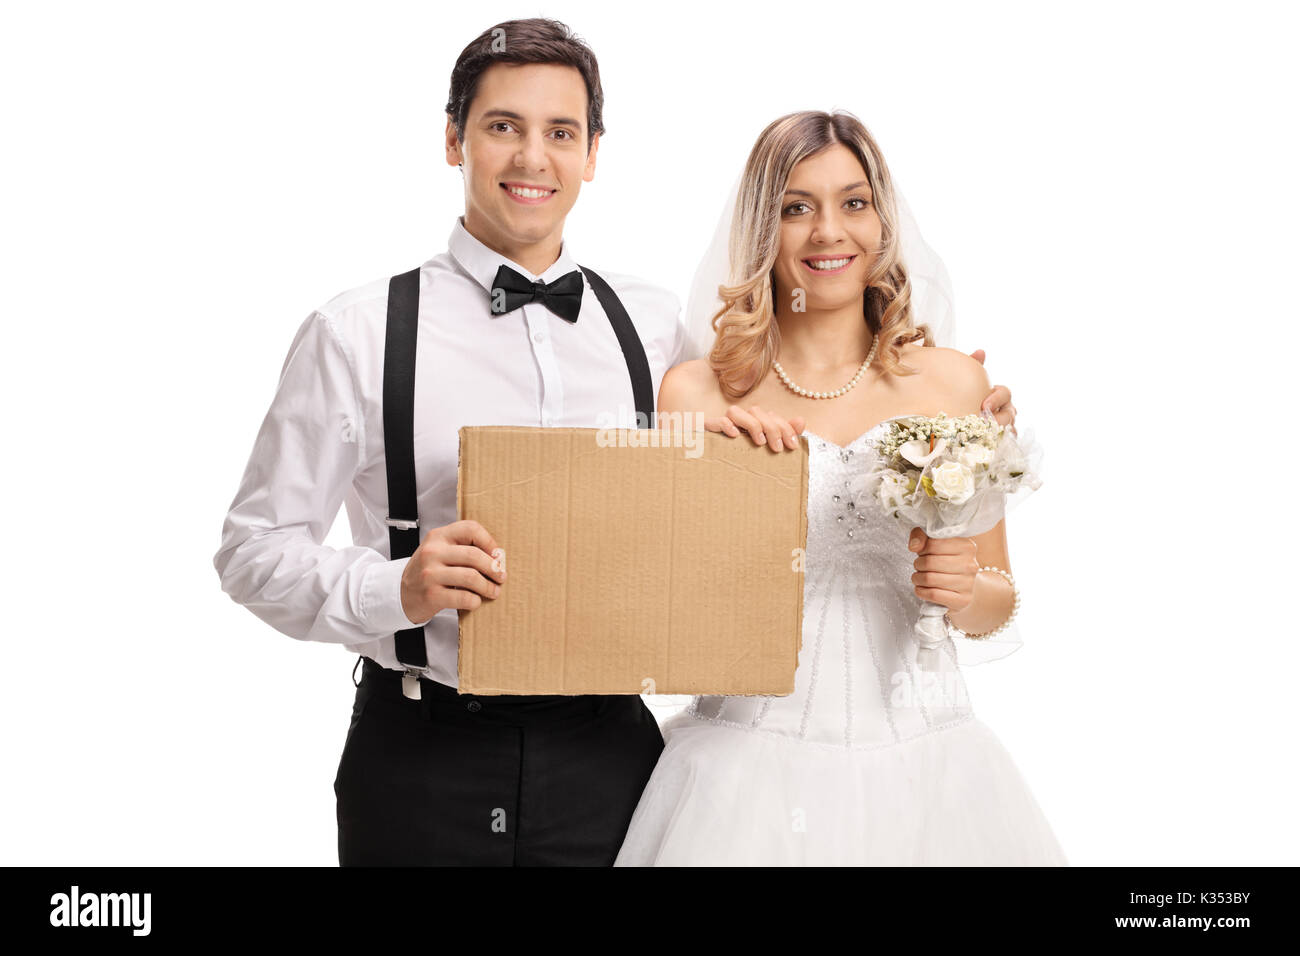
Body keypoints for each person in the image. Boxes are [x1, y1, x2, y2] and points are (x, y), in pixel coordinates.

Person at [213, 16, 1017, 866]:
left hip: (613, 758)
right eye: (502, 127)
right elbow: (251, 551)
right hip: (425, 750)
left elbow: (772, 436)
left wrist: (954, 426)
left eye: (561, 132)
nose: (533, 158)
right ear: (454, 140)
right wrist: (393, 587)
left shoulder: (653, 329)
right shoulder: (356, 332)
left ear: (593, 153)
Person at [614, 110, 1067, 865]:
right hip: (742, 770)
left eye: (854, 203)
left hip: (928, 763)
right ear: (764, 227)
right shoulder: (697, 396)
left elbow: (997, 601)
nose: (830, 231)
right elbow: (667, 624)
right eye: (797, 207)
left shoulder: (955, 382)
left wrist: (962, 589)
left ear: (882, 221)